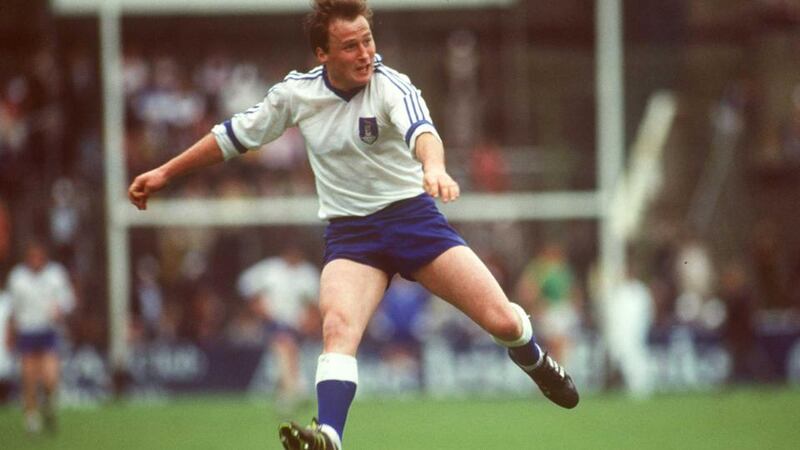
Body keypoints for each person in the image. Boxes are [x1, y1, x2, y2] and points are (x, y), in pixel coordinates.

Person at [127, 1, 579, 448]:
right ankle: (329, 436)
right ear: (322, 54)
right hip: (352, 235)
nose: (364, 53)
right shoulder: (296, 95)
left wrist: (435, 168)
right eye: (350, 46)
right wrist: (164, 172)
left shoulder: (390, 86)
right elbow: (231, 137)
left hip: (412, 220)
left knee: (502, 321)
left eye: (367, 41)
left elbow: (423, 133)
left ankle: (536, 359)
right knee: (338, 328)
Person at [236, 244, 320, 412]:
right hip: (274, 320)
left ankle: (289, 392)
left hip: (296, 323)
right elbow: (245, 284)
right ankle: (294, 391)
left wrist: (309, 322)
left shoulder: (307, 273)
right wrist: (258, 305)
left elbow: (312, 303)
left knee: (289, 354)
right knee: (284, 348)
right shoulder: (270, 269)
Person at [6, 239, 75, 433]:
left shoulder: (56, 274)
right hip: (27, 331)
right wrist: (10, 333)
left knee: (51, 377)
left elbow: (68, 300)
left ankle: (48, 405)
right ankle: (31, 417)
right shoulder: (18, 277)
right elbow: (13, 309)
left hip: (48, 330)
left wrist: (59, 310)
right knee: (28, 377)